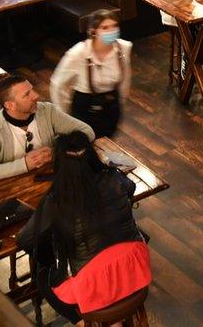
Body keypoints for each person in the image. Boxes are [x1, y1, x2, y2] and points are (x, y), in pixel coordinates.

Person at [17, 131, 150, 324]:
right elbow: (130, 188)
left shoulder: (56, 200)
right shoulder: (113, 178)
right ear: (93, 156)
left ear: (60, 166)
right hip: (134, 267)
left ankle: (80, 320)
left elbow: (26, 240)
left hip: (94, 282)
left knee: (43, 276)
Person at [0, 75, 94, 186]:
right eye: (27, 95)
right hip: (11, 191)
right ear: (10, 105)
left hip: (51, 183)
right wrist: (25, 164)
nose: (36, 96)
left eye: (32, 90)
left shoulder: (47, 111)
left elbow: (87, 132)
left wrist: (56, 151)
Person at [49, 10, 131, 138]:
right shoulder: (78, 53)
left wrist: (121, 101)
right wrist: (64, 116)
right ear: (93, 31)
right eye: (105, 27)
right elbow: (58, 84)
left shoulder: (124, 47)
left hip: (111, 103)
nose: (111, 30)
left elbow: (126, 77)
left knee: (108, 141)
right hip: (85, 105)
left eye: (114, 26)